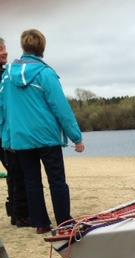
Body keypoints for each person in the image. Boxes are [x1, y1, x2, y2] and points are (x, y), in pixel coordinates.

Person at [0, 29, 84, 234]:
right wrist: (77, 137)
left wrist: (6, 138)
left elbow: (3, 109)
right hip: (47, 137)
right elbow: (61, 108)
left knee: (31, 181)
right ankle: (64, 221)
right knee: (56, 180)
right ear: (42, 48)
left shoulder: (7, 76)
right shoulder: (46, 74)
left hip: (21, 139)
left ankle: (41, 223)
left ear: (23, 47)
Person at [0, 37, 29, 227]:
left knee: (14, 170)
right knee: (16, 171)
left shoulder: (6, 73)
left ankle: (16, 213)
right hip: (4, 132)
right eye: (0, 49)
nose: (5, 52)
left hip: (8, 130)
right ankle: (20, 215)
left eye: (4, 48)